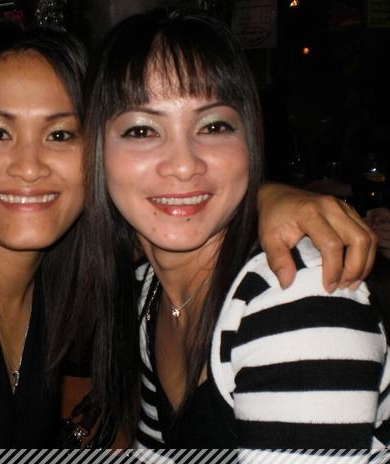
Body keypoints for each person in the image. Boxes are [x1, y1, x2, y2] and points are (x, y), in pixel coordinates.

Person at [0, 18, 378, 448]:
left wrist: (266, 196)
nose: (29, 166)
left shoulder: (91, 275)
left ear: (93, 155)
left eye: (61, 134)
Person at [83, 10, 388, 453]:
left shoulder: (299, 300)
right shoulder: (150, 293)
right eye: (142, 129)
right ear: (96, 152)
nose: (184, 165)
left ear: (251, 139)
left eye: (213, 126)